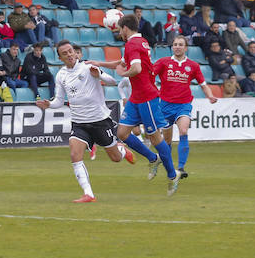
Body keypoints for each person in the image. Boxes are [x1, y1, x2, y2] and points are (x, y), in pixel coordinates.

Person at [35, 40, 135, 202]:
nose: (69, 55)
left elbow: (112, 81)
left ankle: (122, 150)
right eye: (65, 53)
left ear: (75, 53)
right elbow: (59, 101)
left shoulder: (88, 67)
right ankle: (89, 194)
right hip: (79, 123)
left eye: (70, 51)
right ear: (60, 58)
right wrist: (49, 104)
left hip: (100, 121)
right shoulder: (61, 75)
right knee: (75, 154)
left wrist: (100, 75)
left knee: (115, 158)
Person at [91, 14, 180, 195]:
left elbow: (136, 68)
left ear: (125, 28)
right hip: (137, 97)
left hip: (147, 97)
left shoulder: (132, 44)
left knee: (154, 137)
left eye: (119, 30)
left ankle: (172, 175)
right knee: (122, 133)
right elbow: (121, 62)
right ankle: (153, 158)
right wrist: (98, 63)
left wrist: (123, 74)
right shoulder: (139, 42)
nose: (119, 33)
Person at [153, 36, 217, 179]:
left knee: (183, 130)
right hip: (165, 106)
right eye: (175, 44)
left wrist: (210, 96)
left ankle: (181, 167)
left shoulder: (193, 66)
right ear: (172, 47)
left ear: (186, 48)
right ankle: (167, 165)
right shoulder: (163, 62)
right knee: (167, 141)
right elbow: (150, 76)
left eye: (180, 44)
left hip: (183, 105)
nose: (177, 47)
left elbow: (203, 84)